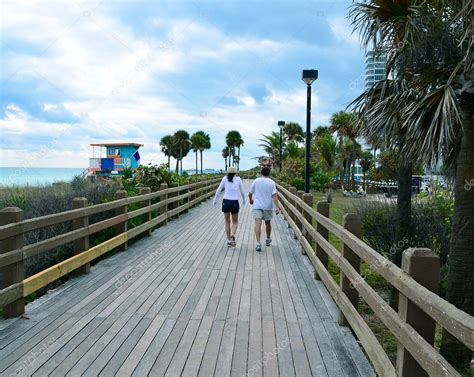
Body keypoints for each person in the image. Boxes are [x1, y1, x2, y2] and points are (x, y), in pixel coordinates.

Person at [248, 165, 281, 252]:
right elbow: (274, 196)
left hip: (257, 206)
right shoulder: (272, 183)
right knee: (268, 223)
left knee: (257, 224)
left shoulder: (256, 181)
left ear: (261, 173)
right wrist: (277, 207)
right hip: (267, 206)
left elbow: (250, 193)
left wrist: (251, 200)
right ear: (269, 173)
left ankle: (258, 244)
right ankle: (268, 239)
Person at [213, 166, 246, 247]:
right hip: (234, 201)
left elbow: (219, 189)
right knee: (235, 222)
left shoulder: (225, 178)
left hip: (225, 201)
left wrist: (215, 199)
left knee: (227, 222)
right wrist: (244, 200)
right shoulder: (238, 179)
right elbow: (242, 191)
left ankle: (228, 240)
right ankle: (233, 235)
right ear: (235, 172)